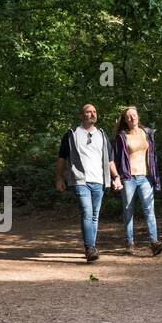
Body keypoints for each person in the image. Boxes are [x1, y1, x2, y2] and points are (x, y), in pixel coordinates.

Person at [55, 103, 121, 262]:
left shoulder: (103, 135)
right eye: (88, 112)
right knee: (87, 211)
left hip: (99, 181)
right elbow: (61, 159)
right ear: (81, 116)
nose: (92, 114)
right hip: (80, 180)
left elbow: (109, 160)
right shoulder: (71, 135)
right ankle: (90, 248)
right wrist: (59, 178)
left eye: (94, 111)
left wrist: (116, 177)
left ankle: (91, 247)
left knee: (94, 216)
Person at [113, 106, 162, 256]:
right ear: (125, 120)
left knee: (149, 210)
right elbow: (115, 159)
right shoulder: (122, 137)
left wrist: (154, 175)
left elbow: (152, 156)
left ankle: (154, 243)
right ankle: (130, 243)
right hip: (128, 178)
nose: (132, 118)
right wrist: (116, 178)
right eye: (129, 116)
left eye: (134, 115)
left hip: (146, 177)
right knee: (128, 211)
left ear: (138, 116)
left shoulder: (148, 133)